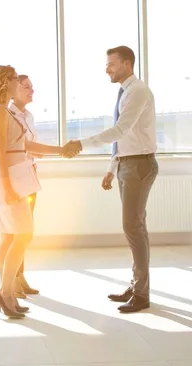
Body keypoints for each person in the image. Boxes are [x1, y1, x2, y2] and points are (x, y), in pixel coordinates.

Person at [65, 45, 158, 313]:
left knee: (133, 227)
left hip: (139, 165)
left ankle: (141, 294)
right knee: (136, 228)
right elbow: (125, 137)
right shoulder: (126, 92)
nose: (107, 69)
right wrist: (112, 166)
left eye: (112, 64)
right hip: (128, 164)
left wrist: (81, 144)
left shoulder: (138, 91)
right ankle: (138, 286)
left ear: (127, 64)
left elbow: (121, 129)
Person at [0, 65, 76, 319]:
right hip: (11, 179)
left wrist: (61, 150)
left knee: (9, 237)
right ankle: (6, 292)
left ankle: (8, 293)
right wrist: (7, 188)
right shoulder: (0, 112)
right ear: (6, 82)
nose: (20, 83)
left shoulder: (6, 112)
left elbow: (27, 145)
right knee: (24, 235)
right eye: (16, 79)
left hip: (18, 176)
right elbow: (0, 153)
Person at [8, 75, 40, 298]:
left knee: (26, 231)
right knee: (17, 232)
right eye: (26, 87)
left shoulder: (29, 116)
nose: (31, 91)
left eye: (32, 87)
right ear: (14, 89)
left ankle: (21, 277)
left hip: (30, 175)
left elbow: (30, 147)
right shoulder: (8, 114)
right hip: (17, 177)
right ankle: (13, 280)